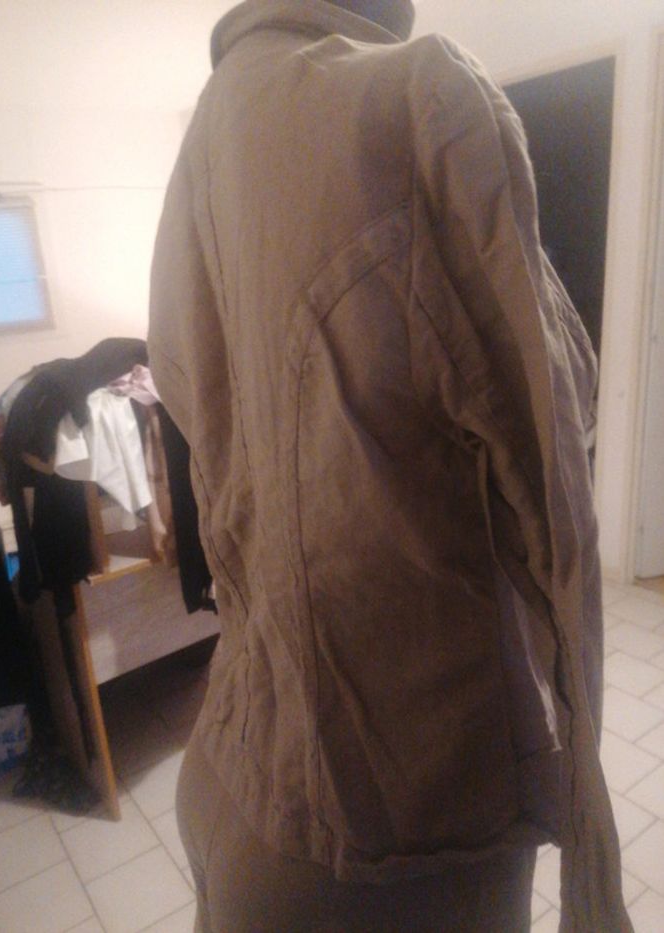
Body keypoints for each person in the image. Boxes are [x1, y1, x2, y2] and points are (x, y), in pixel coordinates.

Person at [148, 1, 632, 930]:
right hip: (398, 816)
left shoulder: (200, 142)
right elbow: (555, 476)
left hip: (232, 761)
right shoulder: (415, 99)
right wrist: (593, 880)